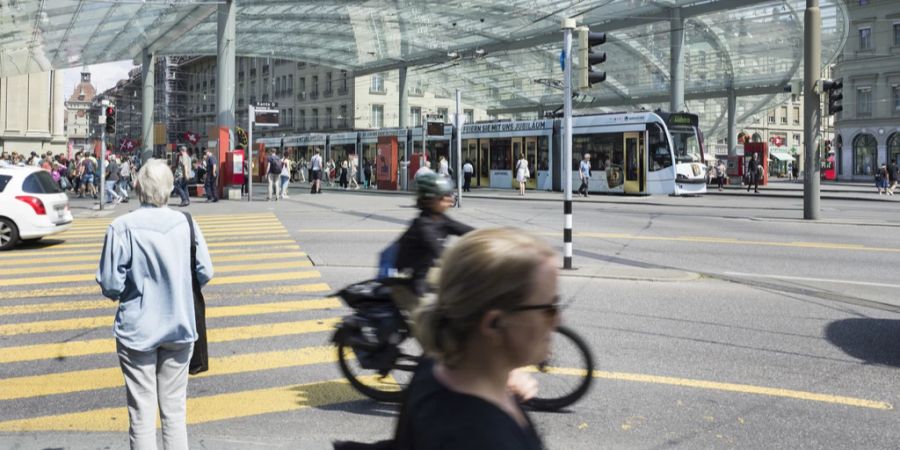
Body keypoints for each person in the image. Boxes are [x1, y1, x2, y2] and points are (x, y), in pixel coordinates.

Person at [392, 228, 556, 450]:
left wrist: (503, 368)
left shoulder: (438, 360)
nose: (558, 320)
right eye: (548, 309)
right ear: (494, 324)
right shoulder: (479, 438)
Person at [96, 159, 214, 450]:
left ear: (137, 188)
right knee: (174, 413)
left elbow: (110, 283)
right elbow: (205, 272)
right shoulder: (187, 223)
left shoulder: (121, 227)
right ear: (170, 189)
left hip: (138, 332)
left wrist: (130, 291)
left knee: (141, 413)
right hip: (180, 327)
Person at [395, 172, 474, 303]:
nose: (450, 199)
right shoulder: (423, 225)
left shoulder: (441, 218)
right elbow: (440, 252)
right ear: (429, 200)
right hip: (417, 278)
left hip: (428, 269)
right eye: (444, 196)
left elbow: (466, 230)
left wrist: (494, 237)